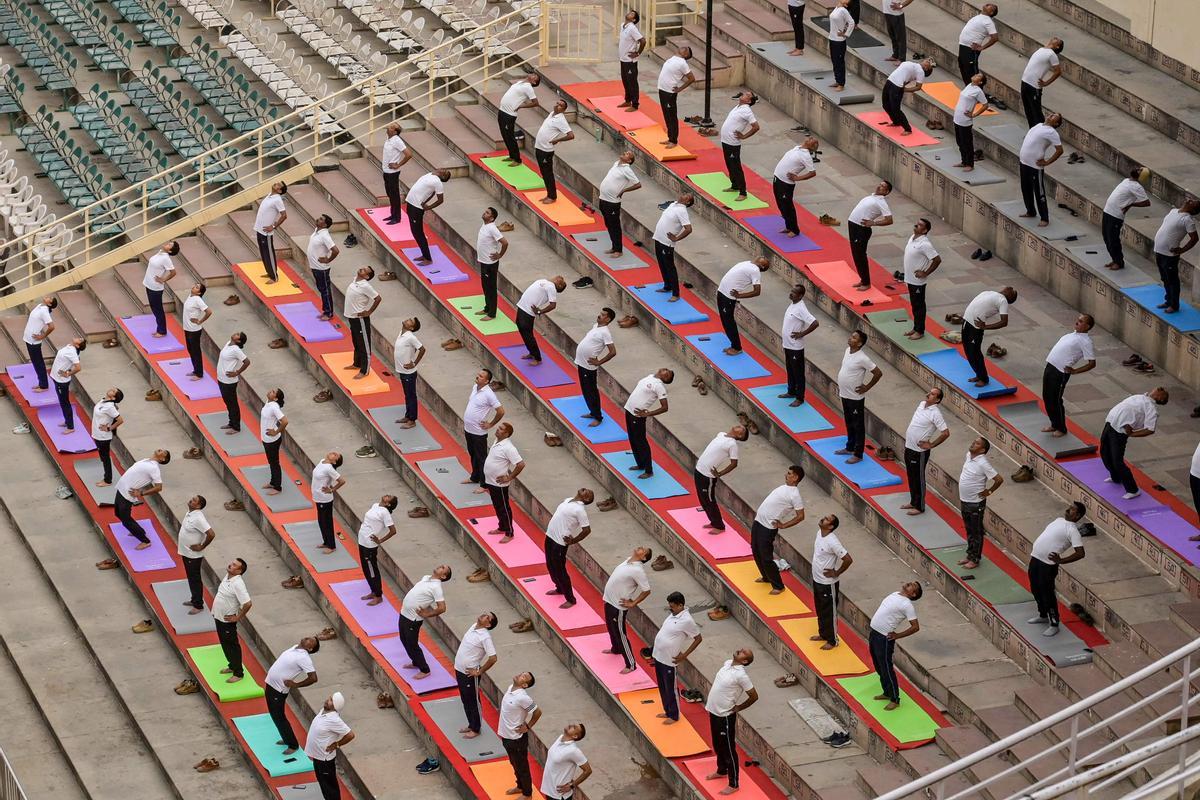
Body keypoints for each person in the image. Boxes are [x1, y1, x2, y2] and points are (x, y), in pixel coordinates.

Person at [1028, 503, 1086, 636]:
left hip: (1047, 565)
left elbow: (1080, 553)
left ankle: (1054, 623)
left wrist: (1061, 561)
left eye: (1072, 510)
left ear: (1077, 516)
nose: (1068, 509)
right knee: (1035, 589)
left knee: (1047, 594)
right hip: (1036, 558)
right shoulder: (1059, 520)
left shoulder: (1073, 531)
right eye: (1070, 507)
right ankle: (1042, 615)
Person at [705, 649, 758, 792]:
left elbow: (754, 696)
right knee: (717, 745)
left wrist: (739, 707)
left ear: (745, 661)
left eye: (743, 652)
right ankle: (721, 770)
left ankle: (734, 784)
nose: (739, 650)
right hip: (714, 711)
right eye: (741, 649)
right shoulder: (727, 663)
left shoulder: (742, 676)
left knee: (728, 749)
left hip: (725, 716)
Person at [1100, 389, 1168, 499]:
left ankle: (1133, 489)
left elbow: (1150, 429)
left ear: (1161, 398)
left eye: (1161, 391)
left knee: (1117, 461)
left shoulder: (1151, 408)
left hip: (1120, 432)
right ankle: (1115, 477)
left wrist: (1132, 434)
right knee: (1104, 452)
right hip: (1111, 423)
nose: (1158, 389)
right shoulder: (1140, 396)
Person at [751, 466, 806, 594]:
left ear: (795, 477)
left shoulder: (795, 495)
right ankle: (766, 577)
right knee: (755, 550)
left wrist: (784, 525)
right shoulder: (783, 488)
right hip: (759, 521)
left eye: (789, 473)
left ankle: (778, 585)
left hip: (768, 527)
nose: (786, 475)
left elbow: (801, 516)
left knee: (766, 557)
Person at [651, 591, 702, 724]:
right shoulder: (672, 615)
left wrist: (684, 655)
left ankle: (674, 715)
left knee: (671, 688)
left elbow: (698, 638)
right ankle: (667, 710)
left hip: (669, 660)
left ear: (680, 605)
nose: (670, 608)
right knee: (662, 687)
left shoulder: (687, 621)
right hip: (659, 656)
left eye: (673, 606)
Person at [869, 582, 921, 710]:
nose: (908, 584)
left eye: (912, 586)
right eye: (910, 583)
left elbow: (915, 627)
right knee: (878, 666)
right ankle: (887, 692)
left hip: (884, 639)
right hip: (874, 633)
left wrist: (897, 635)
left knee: (886, 668)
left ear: (913, 594)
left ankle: (895, 699)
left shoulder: (907, 605)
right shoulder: (895, 594)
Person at [1042, 314, 1096, 437]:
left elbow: (1092, 363)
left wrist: (1075, 371)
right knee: (1047, 397)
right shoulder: (1072, 334)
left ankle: (1061, 428)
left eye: (1081, 321)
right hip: (1050, 367)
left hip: (1060, 373)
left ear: (1087, 326)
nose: (1077, 322)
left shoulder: (1086, 342)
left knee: (1056, 400)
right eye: (1078, 320)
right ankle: (1054, 424)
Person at [265, 637, 319, 755]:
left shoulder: (304, 658)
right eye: (309, 637)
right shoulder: (295, 647)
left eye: (311, 641)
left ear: (310, 648)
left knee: (279, 717)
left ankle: (293, 745)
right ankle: (286, 738)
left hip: (278, 690)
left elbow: (313, 678)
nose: (308, 638)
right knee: (275, 715)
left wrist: (296, 685)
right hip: (270, 684)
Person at [602, 547, 652, 672]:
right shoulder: (628, 561)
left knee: (620, 634)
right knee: (610, 628)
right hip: (609, 600)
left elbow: (647, 590)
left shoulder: (638, 570)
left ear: (643, 558)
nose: (640, 548)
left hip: (618, 606)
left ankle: (631, 664)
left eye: (643, 550)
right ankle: (616, 648)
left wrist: (634, 603)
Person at [836, 331, 882, 463]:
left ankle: (858, 453)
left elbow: (878, 373)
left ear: (860, 343)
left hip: (855, 398)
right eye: (851, 336)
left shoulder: (863, 358)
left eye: (854, 338)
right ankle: (850, 447)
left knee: (858, 425)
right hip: (844, 394)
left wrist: (867, 387)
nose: (850, 338)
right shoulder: (847, 350)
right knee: (849, 423)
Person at [902, 388, 950, 515]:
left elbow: (945, 433)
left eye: (933, 394)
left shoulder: (936, 413)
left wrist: (932, 444)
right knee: (911, 476)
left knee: (919, 478)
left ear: (938, 400)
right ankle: (913, 501)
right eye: (930, 392)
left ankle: (920, 506)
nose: (929, 394)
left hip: (919, 452)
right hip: (909, 446)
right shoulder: (921, 404)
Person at [398, 565, 451, 677]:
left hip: (413, 619)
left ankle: (425, 669)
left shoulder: (437, 588)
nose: (440, 566)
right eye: (441, 565)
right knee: (403, 639)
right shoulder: (426, 577)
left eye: (443, 568)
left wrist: (427, 614)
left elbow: (442, 608)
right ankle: (415, 662)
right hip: (404, 613)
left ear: (443, 576)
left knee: (412, 644)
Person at [544, 489, 594, 609]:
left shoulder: (580, 510)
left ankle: (570, 599)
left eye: (588, 492)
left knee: (560, 570)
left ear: (586, 499)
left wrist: (573, 541)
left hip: (560, 542)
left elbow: (587, 530)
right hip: (550, 536)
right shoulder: (568, 500)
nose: (585, 489)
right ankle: (559, 588)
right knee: (550, 565)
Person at [694, 426, 749, 532]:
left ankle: (719, 526)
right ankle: (713, 521)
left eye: (741, 429)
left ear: (740, 435)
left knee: (709, 501)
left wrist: (720, 473)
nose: (738, 426)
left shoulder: (732, 445)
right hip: (699, 470)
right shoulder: (721, 434)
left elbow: (734, 463)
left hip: (707, 476)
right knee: (703, 500)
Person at [959, 437, 1002, 569]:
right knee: (969, 530)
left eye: (977, 443)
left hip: (975, 503)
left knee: (976, 531)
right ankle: (970, 554)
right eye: (974, 441)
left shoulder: (983, 463)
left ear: (982, 450)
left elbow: (999, 479)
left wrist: (988, 492)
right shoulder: (968, 455)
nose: (973, 443)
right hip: (965, 500)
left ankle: (975, 558)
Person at [454, 612, 499, 739]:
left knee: (473, 701)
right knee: (465, 699)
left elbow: (493, 658)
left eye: (487, 617)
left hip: (470, 674)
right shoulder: (474, 626)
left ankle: (476, 728)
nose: (484, 615)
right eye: (485, 613)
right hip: (459, 669)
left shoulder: (485, 637)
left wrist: (479, 671)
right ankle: (471, 723)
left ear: (488, 624)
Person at [961, 287, 1017, 387]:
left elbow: (1004, 322)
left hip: (975, 328)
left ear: (1010, 296)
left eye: (1012, 290)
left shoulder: (1003, 300)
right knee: (968, 352)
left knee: (975, 353)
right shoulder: (991, 292)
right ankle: (978, 374)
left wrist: (985, 327)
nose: (1009, 288)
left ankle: (983, 378)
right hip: (966, 322)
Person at [113, 449, 169, 550]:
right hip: (121, 489)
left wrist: (141, 493)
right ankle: (138, 530)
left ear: (162, 459)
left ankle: (145, 541)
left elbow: (159, 487)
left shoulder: (154, 468)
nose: (161, 450)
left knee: (125, 520)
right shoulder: (146, 460)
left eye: (163, 453)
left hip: (127, 494)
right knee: (118, 514)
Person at [1152, 197, 1200, 314]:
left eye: (1192, 202)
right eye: (1190, 200)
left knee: (1172, 280)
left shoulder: (1187, 220)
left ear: (1193, 209)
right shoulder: (1173, 211)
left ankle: (1174, 305)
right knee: (1164, 278)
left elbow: (1195, 238)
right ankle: (1168, 300)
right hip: (1159, 251)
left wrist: (1182, 250)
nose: (1189, 201)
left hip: (1170, 255)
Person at [625, 368, 674, 479]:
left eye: (667, 371)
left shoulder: (659, 386)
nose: (664, 369)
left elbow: (665, 407)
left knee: (641, 442)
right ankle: (640, 464)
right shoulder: (650, 376)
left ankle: (648, 470)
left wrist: (648, 413)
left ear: (666, 378)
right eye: (666, 369)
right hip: (629, 410)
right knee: (632, 439)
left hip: (638, 416)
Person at [810, 514, 850, 648]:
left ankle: (833, 640)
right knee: (820, 609)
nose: (822, 518)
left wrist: (836, 572)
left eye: (826, 519)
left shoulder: (833, 542)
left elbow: (848, 559)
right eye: (824, 517)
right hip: (817, 580)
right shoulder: (819, 533)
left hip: (828, 584)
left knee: (829, 612)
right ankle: (823, 634)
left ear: (831, 526)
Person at [498, 673, 540, 800]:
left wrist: (527, 727)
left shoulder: (523, 697)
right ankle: (520, 786)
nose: (520, 675)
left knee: (522, 766)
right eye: (522, 674)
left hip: (516, 739)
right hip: (506, 735)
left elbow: (538, 712)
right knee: (514, 763)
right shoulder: (511, 687)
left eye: (523, 677)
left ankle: (527, 794)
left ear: (525, 685)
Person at [306, 692, 354, 800]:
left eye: (331, 700)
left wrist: (336, 744)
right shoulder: (323, 711)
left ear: (335, 706)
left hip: (325, 760)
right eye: (329, 698)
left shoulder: (334, 720)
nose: (327, 700)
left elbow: (350, 735)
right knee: (323, 784)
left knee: (330, 788)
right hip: (317, 757)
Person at [1101, 168, 1152, 271]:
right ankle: (1114, 259)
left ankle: (1119, 262)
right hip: (1107, 211)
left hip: (1115, 216)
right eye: (1139, 168)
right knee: (1106, 237)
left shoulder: (1137, 187)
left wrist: (1132, 204)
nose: (1137, 169)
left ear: (1141, 176)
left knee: (1113, 239)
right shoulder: (1126, 180)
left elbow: (1147, 202)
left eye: (1140, 171)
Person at [1018, 114, 1064, 227]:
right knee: (1025, 188)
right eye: (1052, 114)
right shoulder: (1038, 125)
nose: (1050, 116)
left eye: (1054, 117)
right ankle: (1030, 211)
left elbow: (1060, 150)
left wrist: (1047, 162)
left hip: (1035, 166)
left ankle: (1044, 218)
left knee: (1039, 192)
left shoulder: (1052, 133)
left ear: (1056, 123)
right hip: (1024, 162)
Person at [716, 257, 768, 355]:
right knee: (724, 321)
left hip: (728, 298)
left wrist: (740, 295)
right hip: (722, 292)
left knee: (729, 323)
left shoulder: (755, 270)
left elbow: (757, 291)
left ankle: (737, 347)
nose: (762, 257)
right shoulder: (748, 263)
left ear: (762, 266)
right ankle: (733, 345)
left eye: (763, 259)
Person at [847, 181, 893, 290]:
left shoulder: (881, 202)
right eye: (880, 184)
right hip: (854, 226)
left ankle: (866, 283)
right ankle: (863, 279)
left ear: (886, 192)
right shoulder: (873, 196)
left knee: (860, 256)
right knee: (855, 255)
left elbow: (889, 219)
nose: (879, 186)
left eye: (883, 187)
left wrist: (874, 223)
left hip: (861, 229)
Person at [574, 308, 617, 426]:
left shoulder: (605, 332)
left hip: (589, 367)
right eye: (600, 313)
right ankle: (593, 412)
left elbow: (613, 352)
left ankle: (598, 417)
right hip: (582, 363)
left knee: (591, 391)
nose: (599, 315)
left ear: (608, 319)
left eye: (603, 315)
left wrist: (600, 362)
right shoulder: (595, 326)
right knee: (585, 391)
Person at [213, 558, 251, 683]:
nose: (230, 565)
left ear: (239, 571)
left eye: (234, 565)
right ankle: (232, 666)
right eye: (232, 563)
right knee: (225, 644)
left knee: (232, 646)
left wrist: (238, 617)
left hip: (227, 621)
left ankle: (238, 673)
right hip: (219, 617)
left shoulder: (238, 584)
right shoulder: (228, 576)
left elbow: (247, 603)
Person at [463, 369, 504, 489]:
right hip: (468, 429)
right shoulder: (475, 387)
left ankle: (484, 484)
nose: (478, 377)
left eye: (481, 376)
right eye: (478, 375)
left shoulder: (489, 394)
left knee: (481, 458)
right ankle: (474, 477)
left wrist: (491, 424)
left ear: (486, 381)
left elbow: (501, 411)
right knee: (472, 454)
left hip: (478, 432)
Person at [779, 285, 819, 406]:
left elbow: (815, 323)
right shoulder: (792, 305)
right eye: (791, 291)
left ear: (800, 296)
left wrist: (802, 334)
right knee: (790, 370)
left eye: (794, 293)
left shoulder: (801, 308)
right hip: (787, 345)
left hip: (795, 347)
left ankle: (800, 398)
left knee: (798, 373)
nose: (791, 293)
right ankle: (791, 391)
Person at [484, 423, 525, 542]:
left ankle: (509, 532)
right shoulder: (497, 441)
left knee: (504, 508)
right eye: (498, 427)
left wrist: (510, 477)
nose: (498, 430)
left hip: (499, 484)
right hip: (491, 481)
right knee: (497, 506)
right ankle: (502, 526)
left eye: (501, 429)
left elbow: (520, 464)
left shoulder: (509, 448)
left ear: (507, 434)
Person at [516, 276, 566, 366]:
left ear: (559, 285)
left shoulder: (551, 287)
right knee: (522, 329)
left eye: (561, 280)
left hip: (528, 311)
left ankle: (537, 358)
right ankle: (531, 352)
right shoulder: (545, 281)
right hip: (523, 306)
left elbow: (553, 305)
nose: (559, 277)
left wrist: (540, 311)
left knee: (528, 334)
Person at [903, 219, 941, 338]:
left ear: (925, 230)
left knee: (919, 306)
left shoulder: (925, 244)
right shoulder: (913, 237)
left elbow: (937, 259)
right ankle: (915, 327)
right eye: (917, 223)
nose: (916, 225)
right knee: (914, 305)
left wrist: (925, 273)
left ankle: (920, 331)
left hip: (917, 282)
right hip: (909, 279)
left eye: (919, 225)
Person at [652, 194, 694, 301]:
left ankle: (676, 294)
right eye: (684, 194)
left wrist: (676, 238)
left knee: (670, 267)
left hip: (667, 242)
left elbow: (688, 229)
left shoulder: (682, 211)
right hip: (658, 238)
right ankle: (667, 286)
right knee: (661, 264)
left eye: (686, 197)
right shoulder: (674, 204)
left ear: (688, 202)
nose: (683, 196)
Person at [772, 138, 817, 238]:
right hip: (778, 179)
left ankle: (794, 229)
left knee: (788, 207)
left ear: (811, 147)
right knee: (781, 205)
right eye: (810, 138)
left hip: (786, 183)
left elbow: (812, 173)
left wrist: (797, 178)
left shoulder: (806, 156)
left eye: (812, 140)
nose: (809, 139)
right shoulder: (798, 148)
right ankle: (788, 226)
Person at [719, 92, 760, 201]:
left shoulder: (747, 111)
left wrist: (744, 136)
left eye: (746, 95)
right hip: (725, 141)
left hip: (733, 143)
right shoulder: (738, 106)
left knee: (736, 168)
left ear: (749, 101)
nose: (743, 95)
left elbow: (756, 127)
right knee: (729, 165)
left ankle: (743, 192)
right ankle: (735, 185)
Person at [358, 495, 398, 606]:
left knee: (372, 571)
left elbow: (393, 531)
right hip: (362, 540)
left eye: (389, 497)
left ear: (388, 504)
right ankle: (373, 591)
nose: (387, 495)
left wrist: (380, 540)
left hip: (369, 545)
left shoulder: (385, 513)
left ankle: (378, 595)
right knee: (366, 569)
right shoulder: (375, 505)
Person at [598, 152, 641, 254]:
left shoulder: (627, 170)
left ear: (629, 161)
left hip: (612, 202)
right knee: (608, 224)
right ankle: (614, 246)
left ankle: (618, 249)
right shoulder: (616, 163)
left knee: (615, 226)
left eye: (627, 154)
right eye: (625, 152)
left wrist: (624, 190)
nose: (624, 153)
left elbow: (638, 184)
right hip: (603, 199)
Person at [178, 495, 214, 614]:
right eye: (192, 499)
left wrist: (202, 546)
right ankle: (194, 599)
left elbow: (211, 534)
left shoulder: (198, 518)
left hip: (192, 555)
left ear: (198, 506)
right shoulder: (190, 512)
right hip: (186, 552)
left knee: (195, 579)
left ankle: (198, 605)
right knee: (191, 578)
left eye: (193, 500)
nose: (190, 500)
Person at [344, 266, 381, 380]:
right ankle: (357, 363)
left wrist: (369, 312)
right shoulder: (356, 280)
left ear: (366, 276)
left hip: (360, 319)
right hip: (352, 318)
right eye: (363, 268)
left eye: (365, 270)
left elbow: (378, 298)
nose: (361, 269)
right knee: (356, 342)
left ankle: (364, 370)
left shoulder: (366, 286)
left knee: (364, 345)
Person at [534, 98, 574, 204]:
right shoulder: (552, 113)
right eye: (557, 103)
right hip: (539, 147)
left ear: (563, 110)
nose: (557, 106)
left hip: (545, 151)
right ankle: (549, 194)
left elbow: (571, 135)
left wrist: (557, 140)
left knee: (548, 174)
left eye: (560, 105)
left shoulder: (561, 120)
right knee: (544, 173)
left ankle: (552, 196)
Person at [407, 170, 450, 266]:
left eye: (445, 172)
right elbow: (432, 193)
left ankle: (428, 258)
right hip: (411, 203)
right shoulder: (431, 174)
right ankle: (424, 254)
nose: (443, 169)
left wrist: (428, 207)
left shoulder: (438, 182)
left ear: (443, 176)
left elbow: (440, 200)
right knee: (414, 232)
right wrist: (425, 200)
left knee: (418, 233)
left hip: (416, 208)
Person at [881, 59, 934, 136]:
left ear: (926, 68)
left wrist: (905, 89)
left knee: (896, 109)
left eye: (928, 63)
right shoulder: (914, 65)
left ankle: (907, 129)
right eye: (927, 61)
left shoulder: (920, 72)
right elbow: (907, 78)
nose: (927, 61)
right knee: (885, 105)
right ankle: (896, 122)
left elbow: (918, 87)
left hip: (897, 86)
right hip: (890, 81)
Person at [497, 74, 541, 164]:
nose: (532, 75)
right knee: (504, 135)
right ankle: (511, 155)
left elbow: (535, 103)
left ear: (534, 82)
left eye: (534, 77)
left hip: (509, 114)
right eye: (533, 74)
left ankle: (517, 159)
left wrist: (521, 106)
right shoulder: (520, 82)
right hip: (502, 110)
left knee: (510, 136)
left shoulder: (529, 88)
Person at [657, 46, 695, 149]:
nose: (682, 47)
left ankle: (674, 140)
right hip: (662, 90)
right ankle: (670, 138)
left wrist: (680, 88)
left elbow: (692, 78)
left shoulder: (683, 63)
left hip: (670, 92)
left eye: (686, 48)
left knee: (671, 116)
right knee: (666, 116)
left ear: (686, 54)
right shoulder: (673, 58)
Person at [1020, 38, 1064, 127]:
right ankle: (1032, 132)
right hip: (1025, 82)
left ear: (1057, 46)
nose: (1055, 38)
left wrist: (1046, 83)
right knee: (1028, 111)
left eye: (1057, 40)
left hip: (1034, 86)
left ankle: (1042, 132)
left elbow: (1058, 71)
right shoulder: (1042, 49)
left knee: (1036, 113)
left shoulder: (1052, 55)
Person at [541, 724, 591, 800]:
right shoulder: (560, 738)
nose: (571, 725)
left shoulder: (574, 751)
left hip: (559, 795)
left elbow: (588, 770)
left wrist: (572, 785)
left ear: (575, 736)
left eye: (574, 727)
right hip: (549, 790)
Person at [952, 74, 991, 171]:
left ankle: (970, 164)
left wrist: (974, 114)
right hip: (957, 118)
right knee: (959, 142)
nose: (975, 75)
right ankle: (964, 161)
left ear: (980, 82)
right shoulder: (969, 85)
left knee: (967, 143)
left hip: (965, 121)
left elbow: (985, 105)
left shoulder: (978, 91)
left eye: (978, 76)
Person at [477, 207, 509, 320]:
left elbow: (505, 243)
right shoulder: (485, 225)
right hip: (483, 261)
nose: (484, 213)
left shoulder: (492, 228)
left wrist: (500, 255)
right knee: (485, 286)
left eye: (487, 213)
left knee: (491, 287)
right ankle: (487, 307)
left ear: (491, 218)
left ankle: (492, 313)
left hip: (490, 264)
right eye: (485, 211)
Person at [394, 317, 425, 428]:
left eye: (410, 321)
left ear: (411, 327)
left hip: (409, 372)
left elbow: (422, 349)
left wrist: (414, 363)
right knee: (407, 395)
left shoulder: (411, 337)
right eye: (409, 319)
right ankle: (408, 415)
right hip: (402, 370)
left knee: (411, 395)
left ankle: (412, 420)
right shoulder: (401, 333)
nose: (407, 319)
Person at [254, 182, 288, 283]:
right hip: (260, 229)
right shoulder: (269, 195)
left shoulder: (277, 200)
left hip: (266, 233)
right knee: (263, 253)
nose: (276, 184)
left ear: (280, 190)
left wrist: (273, 226)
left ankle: (274, 276)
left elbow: (284, 215)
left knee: (269, 253)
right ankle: (269, 272)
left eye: (278, 185)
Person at [143, 241, 179, 337]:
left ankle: (162, 331)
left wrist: (163, 279)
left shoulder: (166, 258)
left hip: (155, 287)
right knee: (154, 307)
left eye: (169, 245)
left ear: (170, 251)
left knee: (157, 309)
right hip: (148, 283)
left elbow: (173, 272)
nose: (167, 244)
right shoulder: (160, 253)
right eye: (169, 243)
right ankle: (160, 328)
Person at [308, 215, 340, 320]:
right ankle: (325, 310)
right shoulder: (316, 231)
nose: (318, 219)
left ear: (325, 225)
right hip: (315, 267)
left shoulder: (325, 235)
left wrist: (328, 260)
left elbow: (335, 250)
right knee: (322, 290)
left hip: (321, 268)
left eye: (321, 219)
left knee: (325, 290)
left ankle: (329, 312)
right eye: (319, 217)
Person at [957, 4, 998, 86]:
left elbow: (995, 38)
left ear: (991, 12)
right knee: (963, 69)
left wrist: (982, 47)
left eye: (990, 6)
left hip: (971, 50)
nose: (988, 4)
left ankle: (977, 93)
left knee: (972, 74)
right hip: (962, 46)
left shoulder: (988, 22)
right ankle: (968, 90)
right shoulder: (979, 16)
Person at [22, 295, 57, 392]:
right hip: (28, 338)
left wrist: (43, 336)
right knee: (36, 362)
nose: (47, 296)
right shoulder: (40, 306)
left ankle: (44, 386)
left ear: (49, 303)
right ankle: (41, 383)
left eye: (50, 298)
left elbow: (51, 326)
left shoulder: (44, 311)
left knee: (39, 363)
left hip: (34, 341)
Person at [312, 452, 345, 552]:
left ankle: (331, 546)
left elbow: (342, 481)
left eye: (336, 456)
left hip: (324, 499)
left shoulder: (329, 468)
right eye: (334, 453)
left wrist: (331, 490)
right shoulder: (322, 461)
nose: (333, 453)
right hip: (317, 497)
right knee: (321, 521)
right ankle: (326, 542)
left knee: (327, 522)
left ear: (334, 461)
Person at [51, 337, 85, 432]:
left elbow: (78, 367)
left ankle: (70, 427)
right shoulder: (69, 347)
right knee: (62, 402)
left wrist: (68, 373)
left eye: (80, 339)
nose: (78, 337)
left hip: (61, 381)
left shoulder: (73, 353)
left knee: (65, 403)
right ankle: (67, 420)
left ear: (78, 345)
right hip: (56, 377)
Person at [91, 388, 124, 487]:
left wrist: (109, 428)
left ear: (113, 397)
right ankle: (107, 477)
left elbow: (120, 420)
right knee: (103, 457)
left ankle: (107, 480)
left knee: (105, 458)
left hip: (103, 437)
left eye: (114, 391)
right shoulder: (103, 400)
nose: (111, 389)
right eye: (113, 388)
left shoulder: (110, 407)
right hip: (97, 434)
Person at [217, 333, 249, 434]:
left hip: (229, 382)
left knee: (232, 404)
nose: (235, 333)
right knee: (228, 403)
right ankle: (231, 422)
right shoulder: (228, 343)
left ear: (238, 341)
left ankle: (236, 427)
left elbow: (247, 362)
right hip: (221, 379)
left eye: (238, 335)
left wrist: (237, 372)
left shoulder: (236, 350)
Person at [381, 122, 412, 223]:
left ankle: (397, 217)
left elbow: (408, 154)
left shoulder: (397, 141)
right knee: (389, 193)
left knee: (394, 195)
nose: (387, 128)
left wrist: (398, 165)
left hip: (392, 173)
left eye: (390, 127)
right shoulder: (389, 139)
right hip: (386, 171)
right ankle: (392, 213)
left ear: (394, 132)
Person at [259, 388, 288, 495]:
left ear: (275, 398)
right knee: (271, 462)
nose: (270, 391)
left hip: (272, 441)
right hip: (265, 438)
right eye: (272, 390)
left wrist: (276, 432)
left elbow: (285, 421)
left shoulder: (274, 407)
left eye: (273, 392)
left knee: (274, 463)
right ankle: (273, 482)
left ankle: (277, 487)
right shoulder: (268, 402)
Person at [182, 283, 211, 379]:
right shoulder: (190, 296)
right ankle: (196, 370)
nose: (193, 287)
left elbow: (209, 312)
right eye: (194, 285)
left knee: (195, 351)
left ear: (199, 293)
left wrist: (200, 321)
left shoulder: (198, 300)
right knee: (190, 350)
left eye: (196, 287)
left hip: (194, 330)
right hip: (187, 328)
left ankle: (199, 373)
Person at [618, 10, 646, 110]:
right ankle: (627, 100)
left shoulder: (632, 28)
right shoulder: (622, 25)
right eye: (629, 12)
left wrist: (638, 53)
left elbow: (643, 41)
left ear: (634, 19)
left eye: (632, 14)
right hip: (623, 59)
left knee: (632, 82)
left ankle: (635, 104)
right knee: (625, 81)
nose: (629, 13)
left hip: (630, 61)